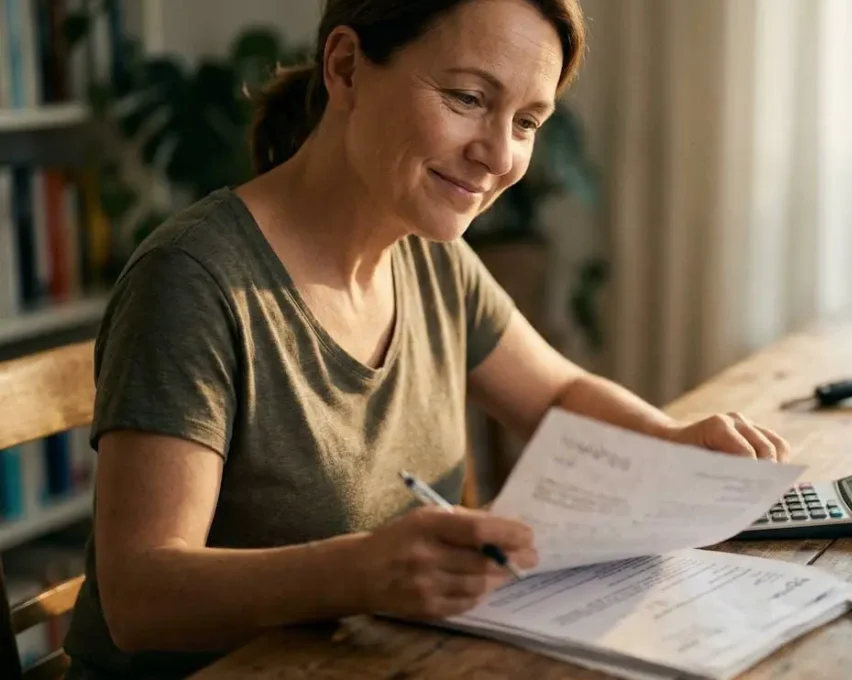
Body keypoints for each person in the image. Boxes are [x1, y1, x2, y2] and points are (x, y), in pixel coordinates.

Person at [63, 0, 791, 678]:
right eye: (469, 99)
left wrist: (675, 442)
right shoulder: (191, 281)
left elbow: (558, 393)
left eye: (529, 121)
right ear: (346, 68)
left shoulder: (430, 255)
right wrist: (360, 572)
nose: (500, 155)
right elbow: (139, 596)